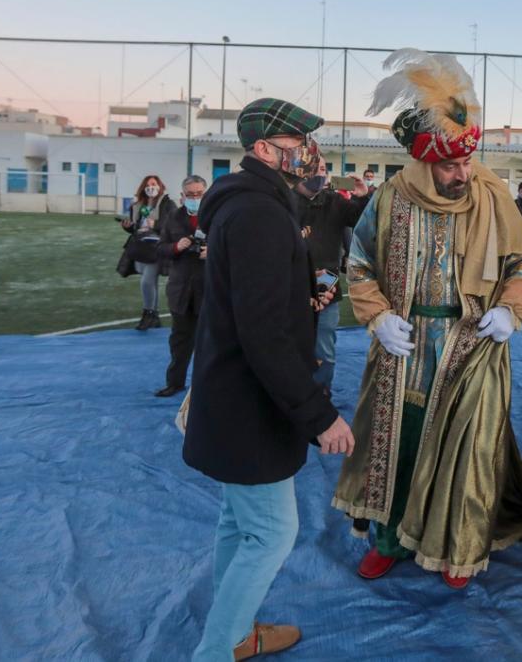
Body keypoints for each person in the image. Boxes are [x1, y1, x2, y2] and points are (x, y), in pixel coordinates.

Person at [332, 47, 522, 589]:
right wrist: (379, 318)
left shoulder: (492, 193)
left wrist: (510, 308)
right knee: (397, 442)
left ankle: (457, 547)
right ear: (423, 163)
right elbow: (358, 263)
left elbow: (521, 260)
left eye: (465, 162)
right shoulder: (388, 199)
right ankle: (390, 541)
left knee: (468, 450)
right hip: (405, 344)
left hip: (474, 341)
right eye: (450, 165)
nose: (462, 173)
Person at [182, 97, 354, 662]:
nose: (309, 155)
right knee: (272, 534)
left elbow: (254, 305)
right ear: (263, 151)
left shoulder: (256, 203)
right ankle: (216, 650)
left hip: (233, 397)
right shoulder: (258, 212)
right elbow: (262, 337)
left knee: (239, 525)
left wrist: (302, 299)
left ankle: (235, 632)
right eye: (297, 147)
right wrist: (318, 414)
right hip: (248, 406)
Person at [295, 148, 370, 396]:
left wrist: (362, 197)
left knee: (324, 348)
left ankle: (321, 395)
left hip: (326, 288)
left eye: (324, 169)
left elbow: (361, 221)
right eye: (315, 168)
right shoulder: (283, 201)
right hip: (288, 286)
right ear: (299, 170)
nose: (320, 174)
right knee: (288, 346)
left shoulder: (334, 201)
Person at [153, 175, 208, 398]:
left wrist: (213, 252)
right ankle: (175, 383)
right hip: (181, 290)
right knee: (180, 342)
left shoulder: (217, 215)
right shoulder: (173, 217)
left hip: (209, 290)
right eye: (190, 195)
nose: (195, 198)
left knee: (210, 343)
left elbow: (234, 246)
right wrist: (176, 246)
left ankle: (206, 387)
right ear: (182, 196)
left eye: (199, 194)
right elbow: (160, 248)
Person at [122, 174, 176, 330]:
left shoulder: (168, 204)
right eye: (147, 184)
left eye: (154, 184)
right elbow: (137, 227)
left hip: (158, 248)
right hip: (141, 248)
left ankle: (148, 313)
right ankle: (154, 316)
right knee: (149, 282)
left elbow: (172, 224)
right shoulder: (138, 205)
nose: (151, 187)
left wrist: (156, 224)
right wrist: (128, 227)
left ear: (160, 186)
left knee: (146, 281)